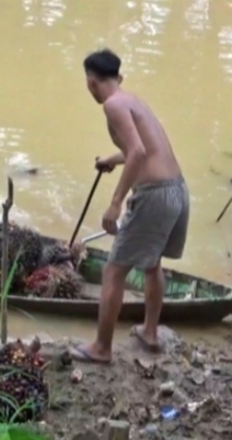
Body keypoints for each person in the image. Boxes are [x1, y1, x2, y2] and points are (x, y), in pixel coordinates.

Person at [69, 48, 190, 364]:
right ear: (118, 77)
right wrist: (112, 159)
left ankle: (101, 348)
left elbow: (137, 152)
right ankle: (150, 332)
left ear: (92, 83)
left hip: (153, 195)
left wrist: (115, 204)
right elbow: (145, 147)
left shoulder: (111, 105)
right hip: (177, 189)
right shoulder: (133, 100)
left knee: (114, 271)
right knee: (152, 264)